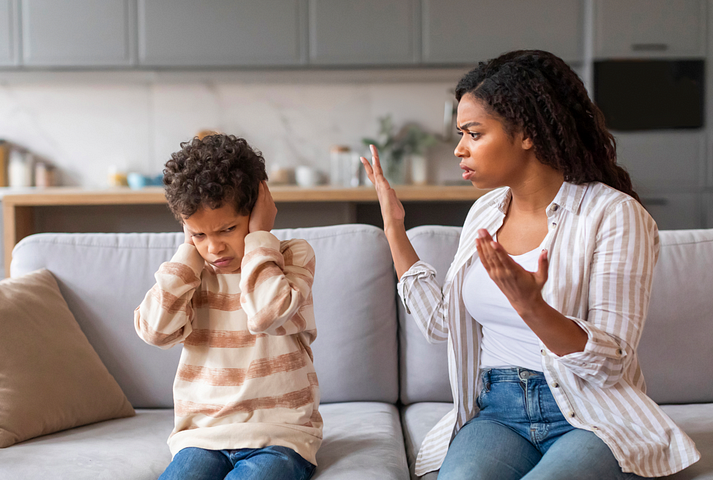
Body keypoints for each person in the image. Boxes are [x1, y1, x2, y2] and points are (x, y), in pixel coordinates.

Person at [361, 50, 700, 480]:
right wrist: (394, 228)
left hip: (591, 415)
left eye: (474, 134)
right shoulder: (485, 213)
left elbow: (611, 361)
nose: (459, 149)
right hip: (498, 412)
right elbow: (444, 324)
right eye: (461, 134)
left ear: (525, 133)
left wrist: (532, 307)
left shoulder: (614, 215)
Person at [135, 134, 321, 480]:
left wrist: (259, 238)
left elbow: (267, 313)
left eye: (227, 229)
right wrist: (188, 254)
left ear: (256, 211)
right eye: (199, 235)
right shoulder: (191, 273)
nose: (214, 248)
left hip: (280, 435)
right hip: (203, 437)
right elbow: (155, 331)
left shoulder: (291, 256)